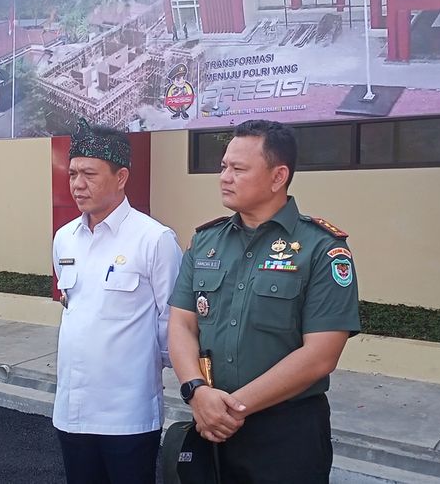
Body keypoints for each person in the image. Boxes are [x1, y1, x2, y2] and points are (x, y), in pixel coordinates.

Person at [168, 119, 360, 483]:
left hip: (286, 435)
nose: (225, 176)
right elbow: (181, 324)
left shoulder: (323, 249)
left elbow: (320, 355)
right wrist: (196, 392)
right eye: (223, 166)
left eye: (238, 169)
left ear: (278, 176)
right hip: (210, 423)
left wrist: (232, 408)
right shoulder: (206, 242)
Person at [52, 118, 183, 484]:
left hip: (128, 415)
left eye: (90, 174)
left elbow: (170, 321)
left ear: (121, 177)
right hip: (72, 411)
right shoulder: (65, 239)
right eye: (73, 172)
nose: (78, 184)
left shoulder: (154, 240)